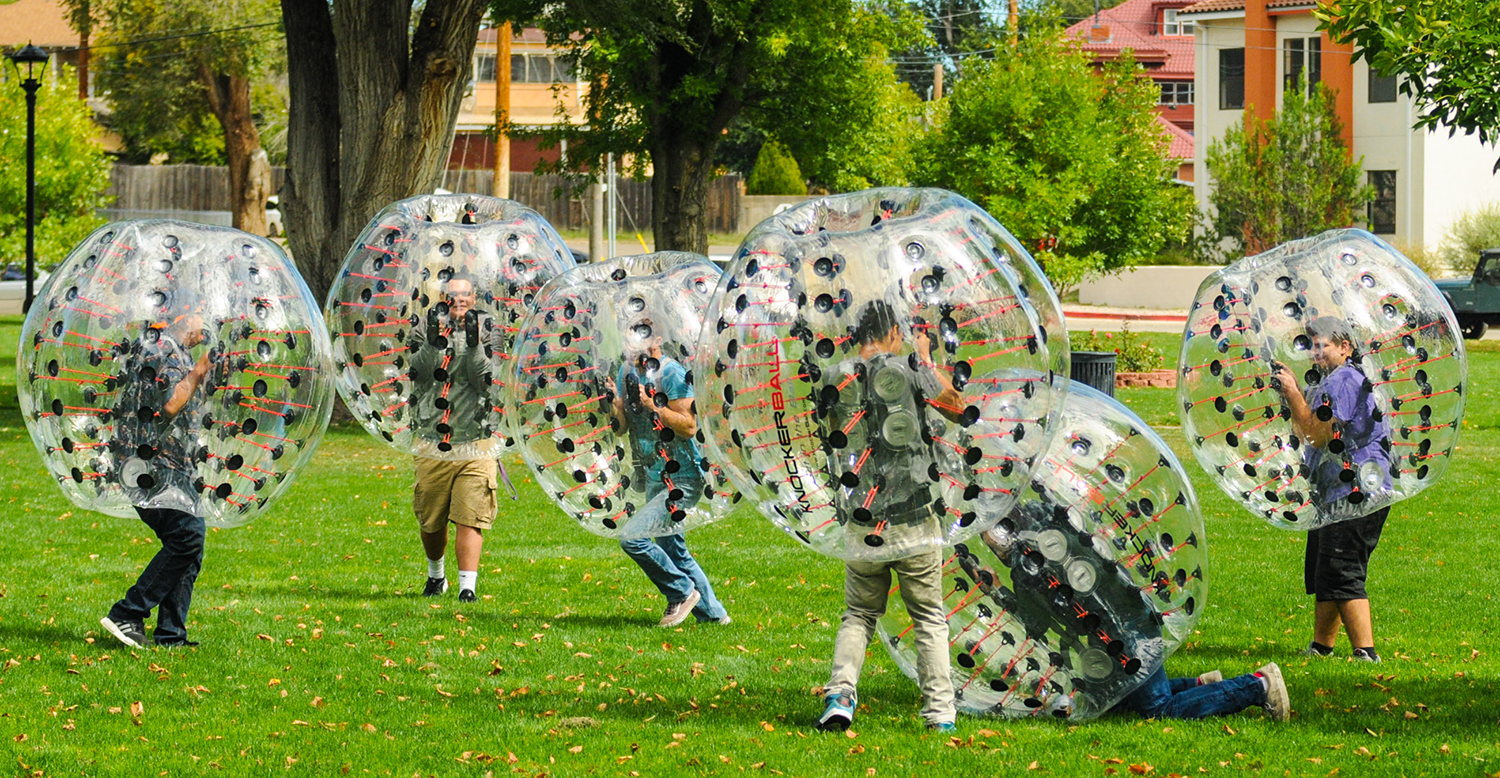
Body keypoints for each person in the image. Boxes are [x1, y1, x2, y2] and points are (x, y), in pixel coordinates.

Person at [818, 300, 959, 733]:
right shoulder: (909, 368)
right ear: (894, 333)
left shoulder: (832, 375)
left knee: (858, 615)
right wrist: (926, 358)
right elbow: (955, 405)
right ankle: (940, 714)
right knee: (929, 617)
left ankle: (840, 696)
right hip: (914, 516)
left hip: (861, 520)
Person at [1272, 316, 1392, 662]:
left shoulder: (1343, 381)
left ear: (1345, 347)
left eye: (1324, 344)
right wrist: (1292, 395)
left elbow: (1319, 436)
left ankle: (1365, 652)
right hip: (1337, 489)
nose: (1316, 351)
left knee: (1342, 568)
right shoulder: (1330, 381)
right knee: (1324, 569)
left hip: (1354, 491)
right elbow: (1306, 424)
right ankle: (1322, 647)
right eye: (1313, 345)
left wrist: (1294, 392)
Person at [100, 296, 213, 649]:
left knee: (189, 546)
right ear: (183, 313)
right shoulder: (160, 348)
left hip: (171, 462)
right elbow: (168, 405)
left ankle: (171, 636)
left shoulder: (172, 347)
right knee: (187, 536)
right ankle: (127, 613)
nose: (205, 328)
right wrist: (199, 371)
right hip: (150, 465)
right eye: (202, 317)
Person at [612, 319, 730, 628]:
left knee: (632, 538)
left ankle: (680, 592)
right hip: (652, 472)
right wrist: (613, 402)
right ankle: (714, 615)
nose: (633, 337)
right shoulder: (626, 372)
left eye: (642, 330)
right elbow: (623, 425)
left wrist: (653, 405)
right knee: (672, 549)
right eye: (629, 329)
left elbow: (689, 427)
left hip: (682, 477)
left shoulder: (672, 373)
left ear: (658, 337)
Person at [409, 274, 504, 603]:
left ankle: (468, 588)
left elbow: (486, 381)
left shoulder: (491, 329)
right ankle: (437, 577)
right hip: (432, 437)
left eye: (465, 295)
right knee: (431, 519)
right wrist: (434, 342)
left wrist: (474, 343)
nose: (459, 300)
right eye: (453, 295)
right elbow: (418, 373)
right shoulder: (426, 325)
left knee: (470, 514)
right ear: (443, 298)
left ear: (474, 297)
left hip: (476, 439)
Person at [1116, 664, 1290, 721]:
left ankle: (1258, 685)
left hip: (1120, 632)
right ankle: (1199, 686)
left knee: (1158, 710)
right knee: (1112, 701)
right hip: (1121, 623)